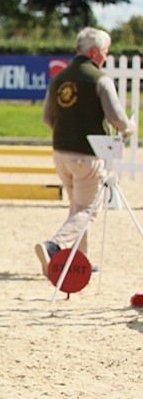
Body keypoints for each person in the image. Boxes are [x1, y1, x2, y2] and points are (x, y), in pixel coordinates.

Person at [34, 27, 136, 276]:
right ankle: (54, 246)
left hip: (60, 152)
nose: (105, 56)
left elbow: (47, 118)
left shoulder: (58, 78)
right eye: (104, 51)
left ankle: (81, 261)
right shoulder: (99, 78)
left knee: (76, 207)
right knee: (88, 210)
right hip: (88, 154)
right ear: (93, 51)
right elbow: (116, 118)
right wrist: (130, 127)